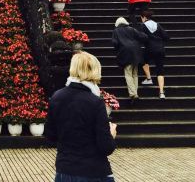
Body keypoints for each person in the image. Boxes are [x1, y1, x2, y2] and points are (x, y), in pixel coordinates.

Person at [45, 51, 117, 182]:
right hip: (93, 171)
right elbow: (106, 147)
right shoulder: (95, 102)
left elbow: (50, 135)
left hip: (64, 169)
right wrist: (111, 134)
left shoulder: (56, 97)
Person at [112, 17, 147, 104]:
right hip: (136, 52)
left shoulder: (116, 31)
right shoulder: (131, 29)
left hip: (125, 53)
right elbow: (143, 36)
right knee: (135, 73)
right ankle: (135, 93)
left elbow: (115, 43)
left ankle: (133, 94)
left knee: (128, 74)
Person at [138, 10, 170, 99]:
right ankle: (161, 92)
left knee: (142, 60)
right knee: (160, 70)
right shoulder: (158, 25)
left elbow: (141, 37)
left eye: (141, 18)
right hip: (160, 49)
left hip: (150, 49)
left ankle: (149, 79)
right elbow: (166, 37)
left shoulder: (143, 26)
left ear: (144, 17)